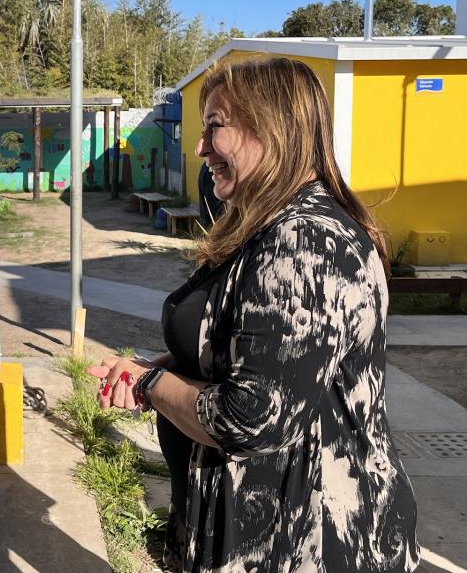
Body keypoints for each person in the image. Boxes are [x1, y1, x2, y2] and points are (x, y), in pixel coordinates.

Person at [89, 56, 419, 572]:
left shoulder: (304, 241)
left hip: (306, 541)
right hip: (260, 528)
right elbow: (254, 355)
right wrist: (158, 370)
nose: (200, 148)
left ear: (273, 125)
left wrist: (153, 383)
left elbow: (252, 419)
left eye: (215, 127)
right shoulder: (269, 227)